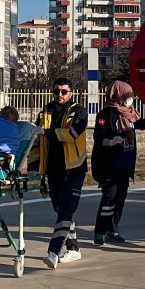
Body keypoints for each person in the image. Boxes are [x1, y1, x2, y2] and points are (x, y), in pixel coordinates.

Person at [35, 77, 89, 269]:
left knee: (66, 211)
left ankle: (53, 252)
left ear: (71, 93)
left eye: (64, 91)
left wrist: (46, 132)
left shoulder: (80, 112)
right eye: (56, 91)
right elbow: (37, 144)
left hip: (74, 169)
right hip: (53, 170)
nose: (60, 95)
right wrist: (36, 175)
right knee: (61, 210)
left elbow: (72, 134)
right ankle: (73, 248)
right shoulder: (45, 112)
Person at [92, 80, 145, 245]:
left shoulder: (129, 113)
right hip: (110, 164)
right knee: (109, 197)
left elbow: (136, 125)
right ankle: (100, 231)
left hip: (126, 163)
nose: (130, 99)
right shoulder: (106, 115)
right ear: (117, 95)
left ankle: (113, 229)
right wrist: (110, 141)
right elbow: (99, 137)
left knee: (120, 197)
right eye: (127, 95)